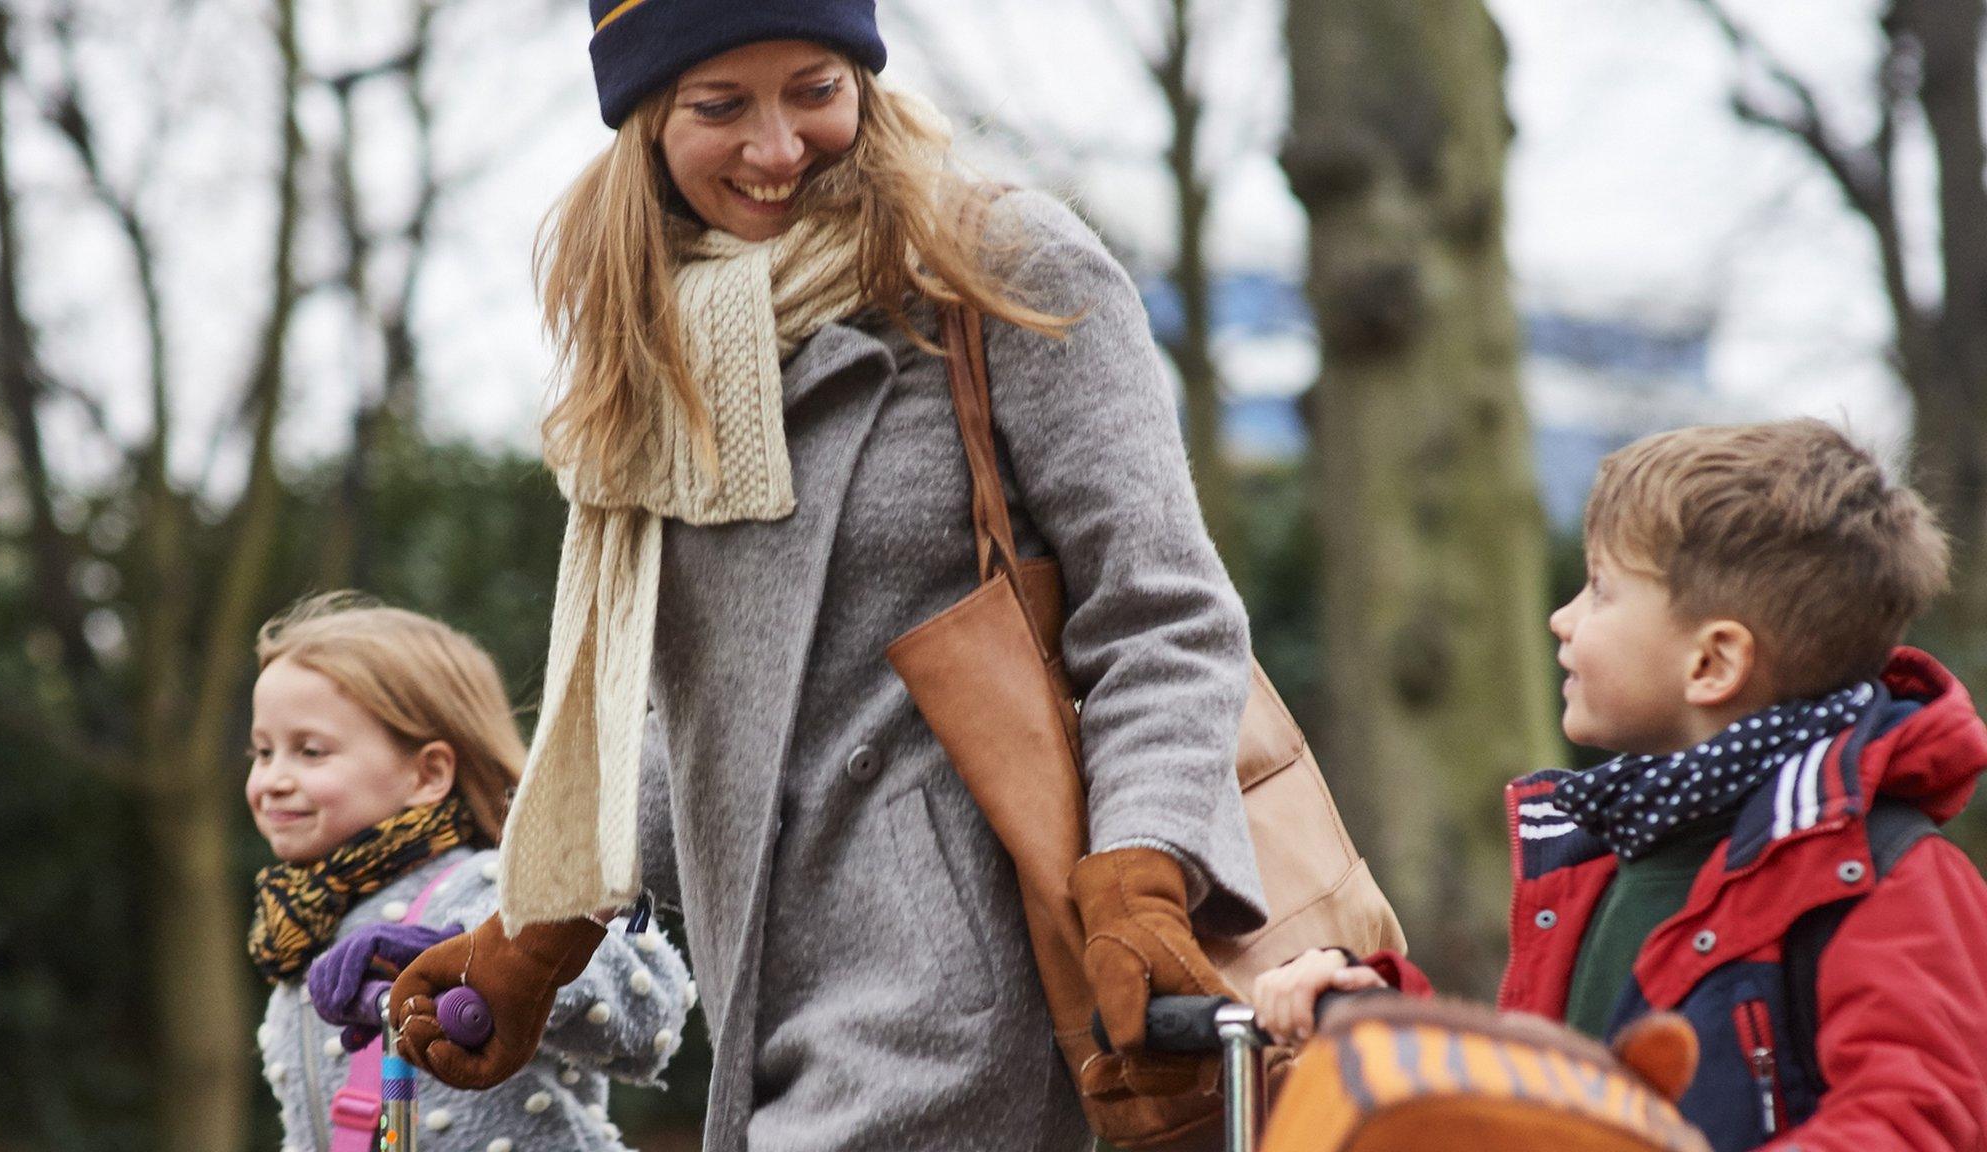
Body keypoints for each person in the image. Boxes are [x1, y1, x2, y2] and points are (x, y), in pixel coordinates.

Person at [385, 3, 1268, 1149]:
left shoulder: (993, 268)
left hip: (994, 982)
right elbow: (697, 714)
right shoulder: (658, 345)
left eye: (813, 88)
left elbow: (1163, 615)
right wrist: (535, 936)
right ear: (646, 121)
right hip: (771, 998)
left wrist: (1142, 871)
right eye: (720, 106)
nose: (775, 146)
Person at [1252, 419, 1987, 1150]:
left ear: (1713, 664)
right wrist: (1378, 1014)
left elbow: (1922, 1121)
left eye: (1600, 591)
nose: (1560, 618)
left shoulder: (1892, 880)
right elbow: (1550, 1097)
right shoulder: (1602, 855)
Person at [245, 593, 691, 1152]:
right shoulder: (302, 930)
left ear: (428, 773)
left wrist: (476, 954)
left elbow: (653, 1012)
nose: (274, 779)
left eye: (310, 751)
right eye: (262, 752)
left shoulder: (493, 884)